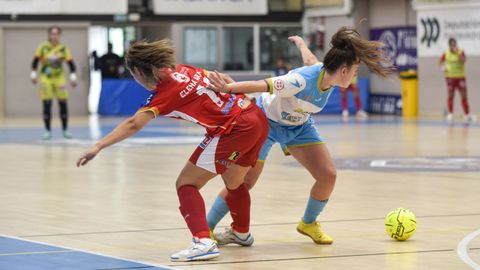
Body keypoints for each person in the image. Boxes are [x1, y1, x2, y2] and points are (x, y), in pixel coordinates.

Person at [76, 39, 269, 262]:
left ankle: (203, 242)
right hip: (254, 115)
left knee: (186, 183)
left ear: (139, 71)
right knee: (234, 182)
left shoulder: (164, 93)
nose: (135, 80)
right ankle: (241, 233)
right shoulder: (184, 69)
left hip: (234, 128)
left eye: (133, 75)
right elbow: (220, 78)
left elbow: (134, 124)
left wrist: (98, 146)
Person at [206, 27, 394, 246]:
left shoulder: (326, 74)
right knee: (245, 182)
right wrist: (227, 88)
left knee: (328, 175)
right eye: (354, 72)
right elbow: (261, 85)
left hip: (298, 126)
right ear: (343, 71)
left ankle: (308, 223)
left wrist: (302, 44)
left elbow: (311, 60)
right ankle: (206, 227)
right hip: (265, 123)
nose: (354, 77)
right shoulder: (299, 81)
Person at [31, 26, 77, 140]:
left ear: (59, 35)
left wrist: (73, 77)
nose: (54, 36)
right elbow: (35, 61)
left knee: (63, 103)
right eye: (52, 33)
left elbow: (71, 64)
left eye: (56, 34)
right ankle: (47, 131)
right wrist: (33, 75)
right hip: (46, 78)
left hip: (59, 78)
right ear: (49, 35)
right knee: (47, 103)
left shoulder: (63, 49)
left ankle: (65, 130)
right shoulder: (43, 47)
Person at [439, 38, 474, 122]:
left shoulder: (461, 51)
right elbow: (440, 61)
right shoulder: (446, 53)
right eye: (452, 45)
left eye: (455, 44)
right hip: (450, 77)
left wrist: (458, 53)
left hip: (460, 77)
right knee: (451, 95)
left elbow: (463, 61)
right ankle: (450, 114)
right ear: (449, 46)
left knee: (463, 96)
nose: (454, 46)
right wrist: (443, 68)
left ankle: (467, 114)